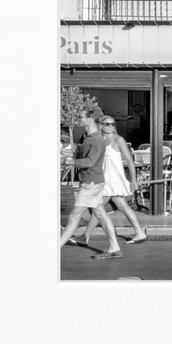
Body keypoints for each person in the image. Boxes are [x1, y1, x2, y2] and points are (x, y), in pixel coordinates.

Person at [59, 106, 123, 259]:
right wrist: (70, 154)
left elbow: (89, 161)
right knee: (100, 213)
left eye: (81, 117)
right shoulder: (89, 137)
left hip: (91, 183)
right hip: (93, 181)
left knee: (75, 215)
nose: (79, 119)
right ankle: (114, 248)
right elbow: (86, 155)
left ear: (90, 119)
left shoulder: (95, 139)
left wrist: (69, 161)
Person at [81, 114, 148, 245]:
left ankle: (85, 237)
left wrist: (134, 180)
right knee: (122, 205)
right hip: (103, 178)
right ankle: (139, 232)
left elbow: (129, 160)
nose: (111, 126)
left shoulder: (118, 140)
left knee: (97, 207)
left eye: (113, 124)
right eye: (107, 124)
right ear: (100, 125)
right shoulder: (98, 140)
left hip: (113, 179)